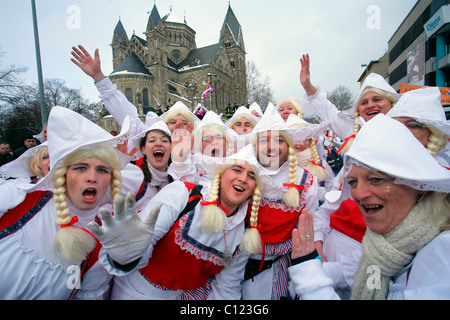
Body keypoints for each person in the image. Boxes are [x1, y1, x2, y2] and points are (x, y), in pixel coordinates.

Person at [289, 114, 450, 300]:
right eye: (353, 182)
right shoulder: (382, 244)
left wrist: (311, 282)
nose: (359, 194)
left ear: (417, 185)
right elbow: (373, 278)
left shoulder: (442, 251)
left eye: (376, 179)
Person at [0, 106, 146, 299]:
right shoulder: (17, 201)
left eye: (102, 170)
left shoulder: (102, 236)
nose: (92, 177)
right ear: (63, 174)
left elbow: (83, 293)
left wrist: (128, 257)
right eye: (81, 168)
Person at [88, 144, 264, 299]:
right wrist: (126, 255)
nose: (243, 179)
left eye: (251, 176)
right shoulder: (183, 194)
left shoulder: (245, 233)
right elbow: (143, 241)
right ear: (221, 174)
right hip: (133, 291)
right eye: (237, 170)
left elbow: (227, 287)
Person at [240, 104, 320, 300]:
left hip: (279, 265)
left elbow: (308, 228)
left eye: (279, 140)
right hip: (236, 264)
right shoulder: (241, 175)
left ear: (288, 146)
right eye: (264, 140)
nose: (271, 146)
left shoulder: (306, 181)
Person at [299, 54, 400, 155]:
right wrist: (307, 85)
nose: (370, 105)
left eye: (377, 99)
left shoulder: (406, 128)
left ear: (391, 103)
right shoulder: (352, 130)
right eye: (364, 102)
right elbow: (327, 110)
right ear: (358, 109)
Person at [386, 87, 450, 168]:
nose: (402, 130)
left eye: (413, 125)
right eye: (395, 124)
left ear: (433, 134)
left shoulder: (441, 172)